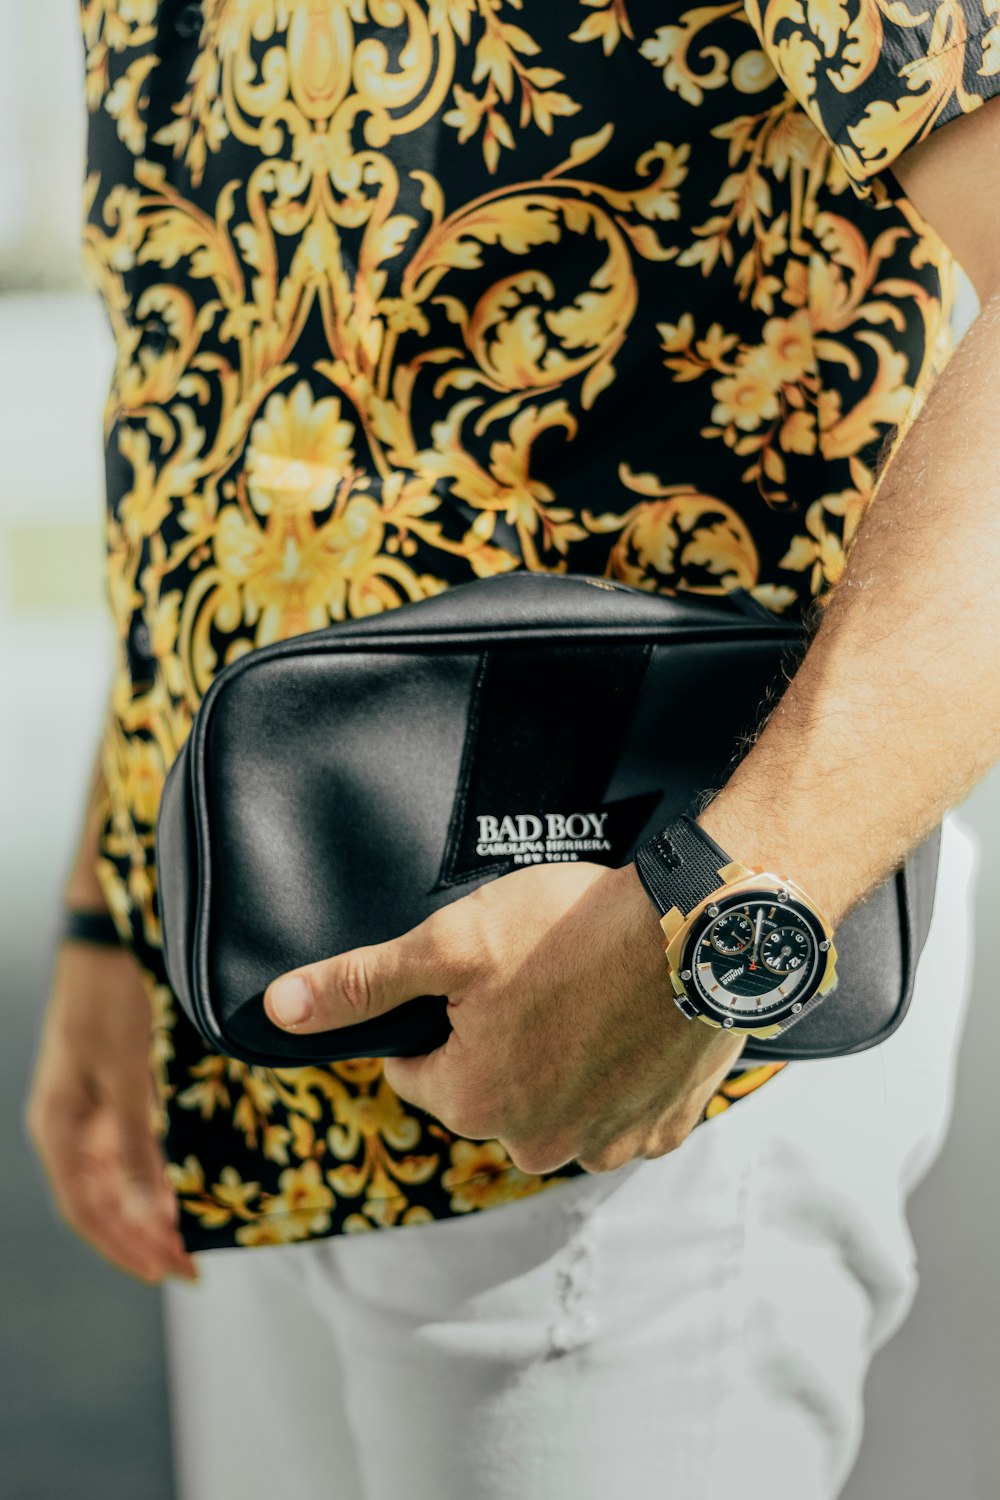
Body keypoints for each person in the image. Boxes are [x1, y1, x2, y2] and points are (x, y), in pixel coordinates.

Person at [25, 3, 1000, 1496]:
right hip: (258, 1035)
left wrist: (714, 920)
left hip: (633, 1049)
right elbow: (220, 394)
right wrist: (116, 906)